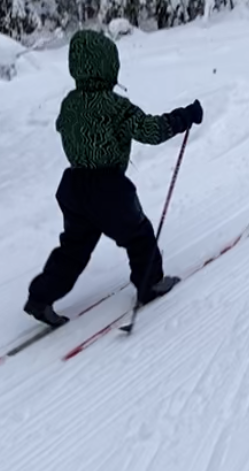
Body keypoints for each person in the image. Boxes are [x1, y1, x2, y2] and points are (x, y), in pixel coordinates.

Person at [25, 30, 203, 328]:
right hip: (108, 188)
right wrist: (184, 117)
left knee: (73, 249)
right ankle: (149, 286)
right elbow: (151, 131)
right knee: (139, 235)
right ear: (108, 65)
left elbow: (62, 127)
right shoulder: (115, 106)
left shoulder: (69, 104)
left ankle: (40, 297)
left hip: (73, 186)